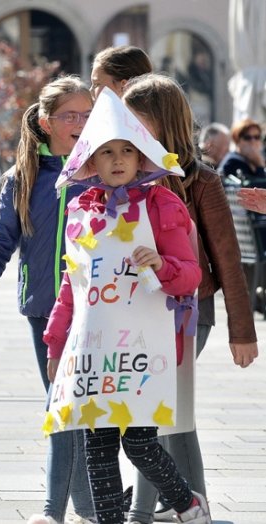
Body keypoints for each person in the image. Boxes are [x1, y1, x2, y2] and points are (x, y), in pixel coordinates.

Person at [44, 86, 211, 524]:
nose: (117, 160)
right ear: (90, 161)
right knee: (96, 447)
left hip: (145, 349)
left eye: (126, 151)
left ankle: (187, 502)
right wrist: (56, 342)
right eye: (106, 152)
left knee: (138, 443)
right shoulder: (80, 208)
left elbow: (191, 275)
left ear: (141, 158)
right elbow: (72, 283)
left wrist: (162, 263)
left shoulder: (163, 204)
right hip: (95, 351)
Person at [0, 76, 96, 524]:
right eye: (71, 115)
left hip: (99, 308)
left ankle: (80, 511)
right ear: (47, 122)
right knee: (62, 406)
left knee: (80, 411)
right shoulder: (24, 177)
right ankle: (64, 513)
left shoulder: (104, 167)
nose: (81, 123)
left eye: (88, 115)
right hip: (45, 310)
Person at [123, 73, 259, 523]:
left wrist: (243, 332)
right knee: (165, 412)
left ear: (164, 122)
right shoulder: (120, 171)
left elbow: (229, 260)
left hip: (188, 312)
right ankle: (191, 504)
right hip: (132, 309)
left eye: (139, 120)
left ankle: (147, 512)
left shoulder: (201, 180)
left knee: (152, 412)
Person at [218, 118, 266, 183]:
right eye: (247, 137)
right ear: (237, 140)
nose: (253, 141)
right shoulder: (233, 161)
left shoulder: (249, 160)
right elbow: (257, 188)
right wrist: (259, 165)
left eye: (256, 137)